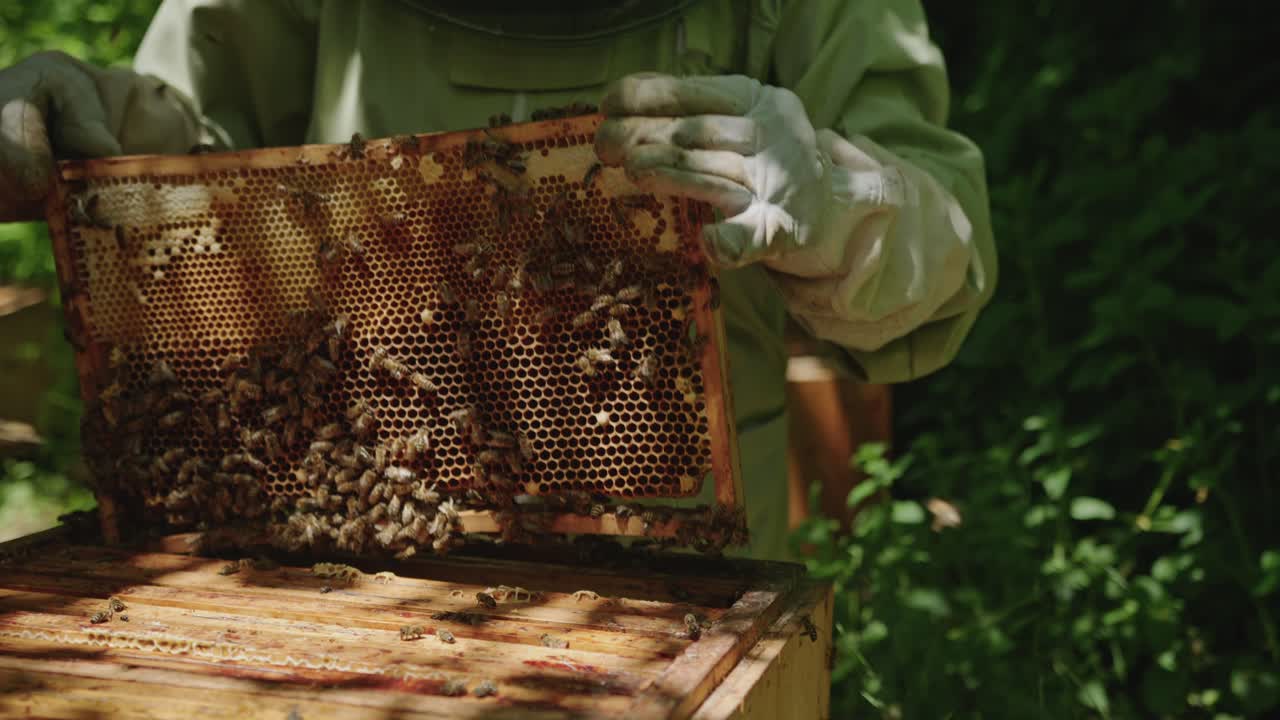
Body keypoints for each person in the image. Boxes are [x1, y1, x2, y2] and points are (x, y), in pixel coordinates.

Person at [0, 0, 995, 561]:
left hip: (680, 576)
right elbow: (201, 142)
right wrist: (111, 131)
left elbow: (945, 249)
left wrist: (839, 198)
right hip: (353, 568)